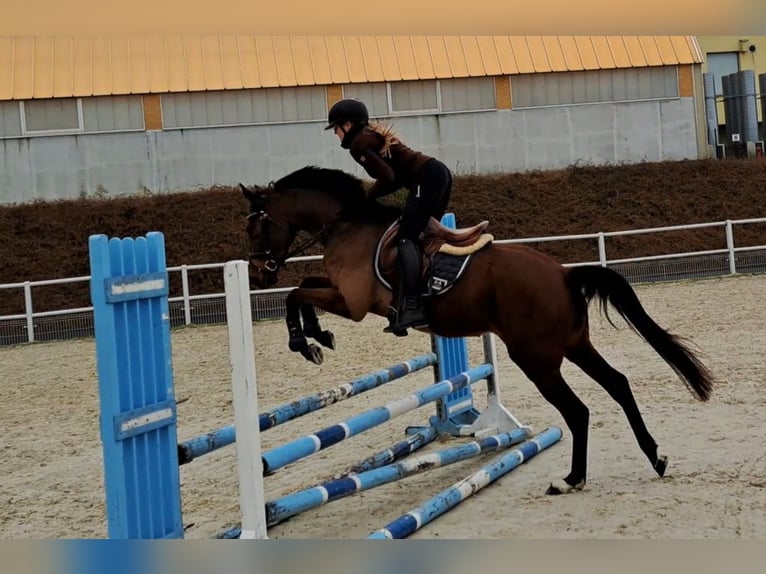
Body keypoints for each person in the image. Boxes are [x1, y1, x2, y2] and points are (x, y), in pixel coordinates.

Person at [324, 97, 453, 334]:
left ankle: (412, 306)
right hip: (436, 174)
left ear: (348, 125)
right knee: (422, 237)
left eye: (336, 128)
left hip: (428, 179)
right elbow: (393, 177)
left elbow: (388, 177)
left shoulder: (358, 145)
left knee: (406, 238)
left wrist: (366, 198)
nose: (335, 134)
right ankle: (426, 292)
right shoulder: (368, 137)